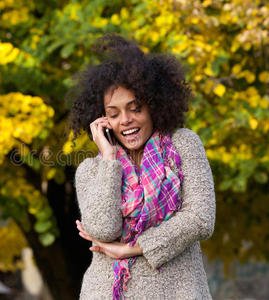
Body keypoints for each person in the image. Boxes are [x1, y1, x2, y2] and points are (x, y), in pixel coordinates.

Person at [67, 34, 216, 299]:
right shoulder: (92, 169)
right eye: (113, 114)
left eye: (135, 108)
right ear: (101, 119)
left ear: (154, 106)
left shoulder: (183, 145)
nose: (125, 120)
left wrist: (132, 249)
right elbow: (103, 229)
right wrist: (109, 158)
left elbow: (200, 219)